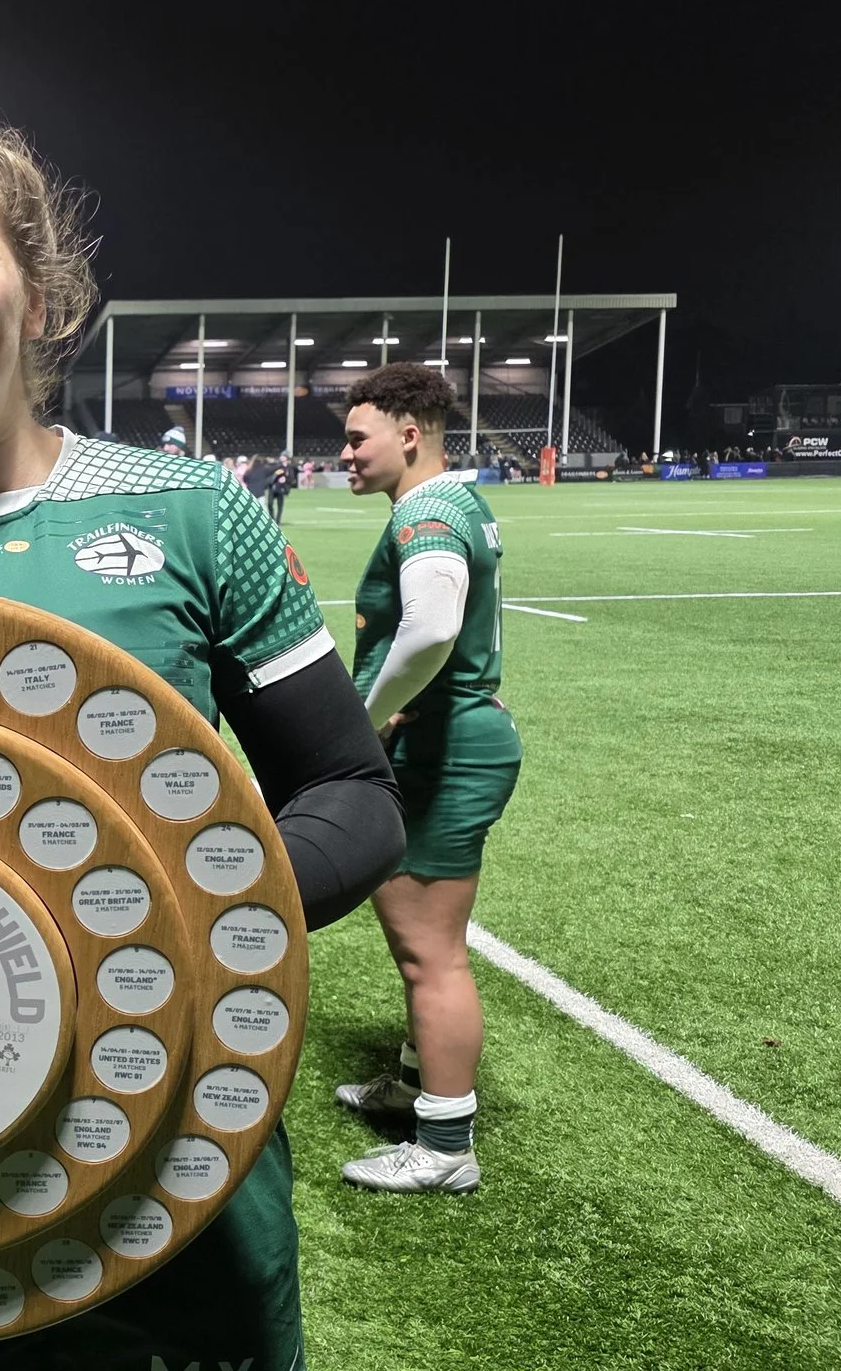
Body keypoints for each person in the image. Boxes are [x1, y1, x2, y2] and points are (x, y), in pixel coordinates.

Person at [0, 106, 405, 1371]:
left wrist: (169, 916)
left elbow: (351, 792)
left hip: (172, 1209)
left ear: (38, 298)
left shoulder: (192, 514)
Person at [331, 361, 522, 1195]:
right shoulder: (458, 501)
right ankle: (414, 1092)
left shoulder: (427, 510)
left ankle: (445, 1147)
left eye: (354, 436)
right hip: (451, 739)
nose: (342, 453)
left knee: (429, 955)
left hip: (441, 749)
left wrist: (365, 717)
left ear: (408, 435)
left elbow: (433, 626)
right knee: (418, 948)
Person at [266, 454, 292, 524]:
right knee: (270, 504)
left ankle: (278, 521)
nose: (282, 457)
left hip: (281, 488)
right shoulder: (276, 466)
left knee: (280, 505)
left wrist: (285, 479)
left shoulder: (289, 468)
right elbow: (271, 475)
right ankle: (272, 519)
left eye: (283, 456)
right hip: (273, 488)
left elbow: (291, 478)